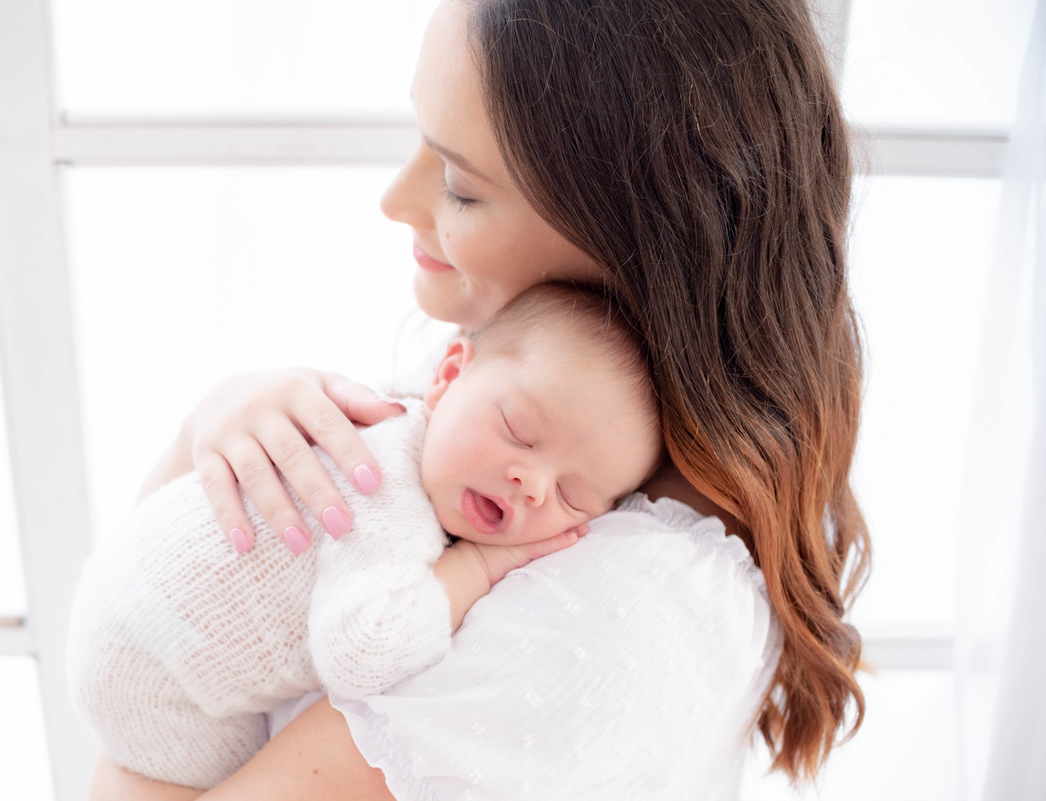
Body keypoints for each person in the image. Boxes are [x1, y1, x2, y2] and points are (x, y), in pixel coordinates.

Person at [91, 0, 871, 797]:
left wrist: (127, 756)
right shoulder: (526, 424)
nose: (396, 199)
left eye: (460, 185)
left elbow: (138, 703)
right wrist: (215, 427)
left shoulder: (603, 608)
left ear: (642, 244)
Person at [69, 283, 663, 789]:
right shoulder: (383, 491)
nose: (531, 484)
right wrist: (475, 570)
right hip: (149, 677)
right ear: (448, 375)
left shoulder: (407, 436)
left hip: (123, 600)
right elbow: (361, 651)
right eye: (519, 430)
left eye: (571, 497)